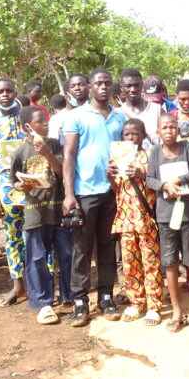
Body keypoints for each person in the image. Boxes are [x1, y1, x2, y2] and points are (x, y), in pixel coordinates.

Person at [62, 69, 126, 326]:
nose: (103, 87)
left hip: (112, 192)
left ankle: (106, 297)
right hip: (84, 193)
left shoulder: (120, 118)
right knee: (82, 249)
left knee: (108, 247)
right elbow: (68, 155)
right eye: (98, 83)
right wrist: (68, 194)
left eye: (107, 83)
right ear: (89, 87)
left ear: (112, 87)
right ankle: (80, 302)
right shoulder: (76, 116)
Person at [10, 105, 71, 324]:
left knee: (66, 254)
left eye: (46, 120)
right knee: (36, 258)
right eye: (40, 121)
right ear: (27, 126)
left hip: (58, 209)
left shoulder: (54, 144)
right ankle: (44, 303)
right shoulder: (20, 152)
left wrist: (46, 152)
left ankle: (69, 296)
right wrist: (20, 186)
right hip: (35, 211)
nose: (46, 124)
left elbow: (62, 171)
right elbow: (13, 181)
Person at [146, 113, 189, 333]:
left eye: (173, 127)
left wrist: (180, 179)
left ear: (178, 129)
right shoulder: (154, 152)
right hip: (165, 215)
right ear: (158, 132)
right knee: (170, 263)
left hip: (187, 214)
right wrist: (164, 186)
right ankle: (177, 311)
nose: (170, 130)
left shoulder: (188, 148)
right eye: (165, 127)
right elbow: (149, 179)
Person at [110, 118, 162, 325]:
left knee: (150, 261)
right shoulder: (118, 157)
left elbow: (157, 184)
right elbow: (118, 190)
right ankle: (136, 301)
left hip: (146, 218)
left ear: (143, 135)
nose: (131, 138)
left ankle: (154, 305)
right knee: (130, 262)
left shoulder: (151, 155)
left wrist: (142, 174)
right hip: (125, 218)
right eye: (127, 134)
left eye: (135, 134)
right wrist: (109, 176)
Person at [0, 78, 28, 307]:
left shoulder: (27, 116)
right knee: (12, 239)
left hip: (32, 187)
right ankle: (18, 287)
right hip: (7, 189)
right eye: (0, 91)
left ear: (15, 92)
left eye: (9, 90)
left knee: (37, 237)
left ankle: (44, 286)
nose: (5, 94)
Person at [114, 68, 161, 143]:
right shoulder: (116, 114)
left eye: (136, 85)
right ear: (121, 87)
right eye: (128, 86)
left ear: (142, 85)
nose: (133, 89)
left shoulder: (156, 109)